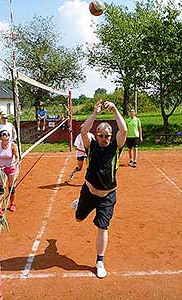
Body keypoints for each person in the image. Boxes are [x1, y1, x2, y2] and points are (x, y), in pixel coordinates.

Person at [72, 100, 127, 278]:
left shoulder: (116, 147)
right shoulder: (91, 144)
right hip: (88, 192)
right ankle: (79, 203)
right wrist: (94, 113)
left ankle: (100, 261)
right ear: (97, 135)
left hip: (107, 196)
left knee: (103, 227)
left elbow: (124, 130)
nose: (105, 138)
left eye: (108, 135)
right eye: (102, 135)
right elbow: (83, 131)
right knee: (79, 219)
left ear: (111, 136)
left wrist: (115, 110)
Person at [0, 129, 19, 218]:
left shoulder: (13, 145)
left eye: (8, 134)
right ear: (0, 137)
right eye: (4, 134)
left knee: (11, 187)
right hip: (1, 168)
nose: (6, 136)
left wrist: (14, 164)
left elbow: (17, 158)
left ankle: (12, 204)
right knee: (0, 188)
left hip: (11, 168)